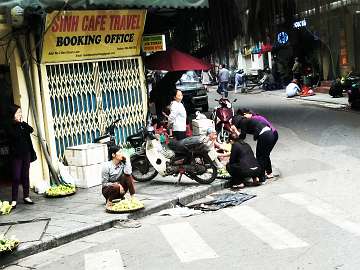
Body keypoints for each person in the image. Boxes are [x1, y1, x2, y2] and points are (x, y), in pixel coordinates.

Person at [6, 105, 36, 208]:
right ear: (12, 114)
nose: (20, 114)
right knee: (16, 177)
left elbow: (31, 130)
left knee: (25, 175)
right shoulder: (10, 126)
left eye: (20, 112)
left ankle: (26, 196)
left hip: (26, 154)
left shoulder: (22, 125)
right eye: (18, 113)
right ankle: (14, 199)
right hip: (16, 156)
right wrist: (20, 125)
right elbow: (15, 136)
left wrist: (22, 123)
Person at [230, 115, 275, 183]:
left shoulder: (243, 122)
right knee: (265, 155)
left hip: (264, 135)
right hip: (270, 133)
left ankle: (261, 177)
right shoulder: (247, 121)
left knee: (260, 156)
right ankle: (269, 173)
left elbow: (243, 136)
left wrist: (236, 131)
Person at [237, 108, 278, 178]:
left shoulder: (255, 118)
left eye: (243, 117)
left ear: (246, 114)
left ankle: (262, 175)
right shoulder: (255, 118)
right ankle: (268, 172)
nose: (243, 119)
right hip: (271, 134)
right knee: (265, 154)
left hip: (271, 134)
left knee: (262, 155)